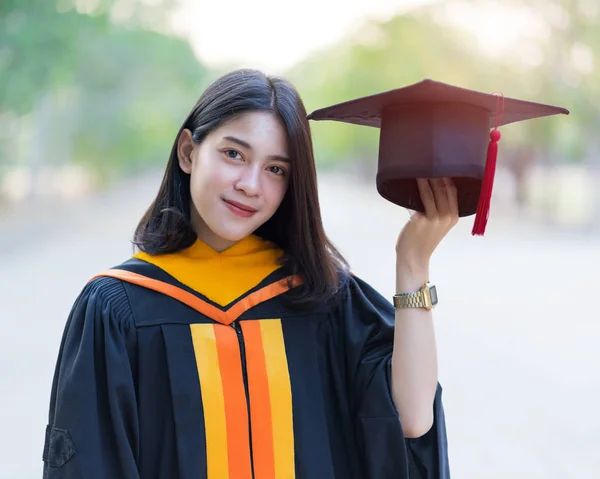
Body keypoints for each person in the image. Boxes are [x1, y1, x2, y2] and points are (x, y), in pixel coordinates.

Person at [42, 69, 453, 479]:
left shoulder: (323, 297)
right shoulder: (120, 308)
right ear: (188, 152)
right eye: (234, 154)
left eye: (276, 169)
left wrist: (413, 262)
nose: (251, 185)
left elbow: (412, 420)